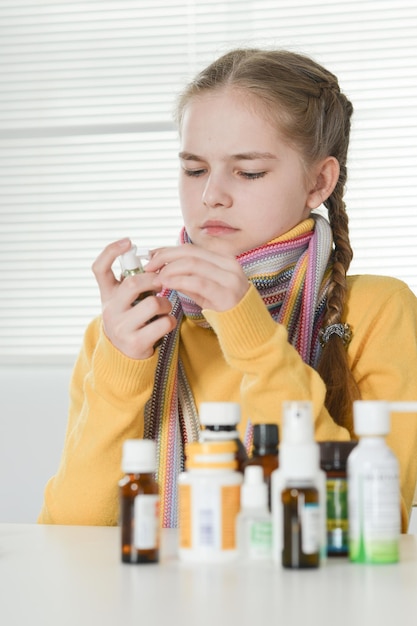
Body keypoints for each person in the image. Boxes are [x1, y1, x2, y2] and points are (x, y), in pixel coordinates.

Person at [38, 48, 417, 530]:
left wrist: (251, 333)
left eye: (248, 171)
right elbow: (69, 535)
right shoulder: (125, 328)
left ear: (319, 182)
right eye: (195, 169)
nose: (209, 194)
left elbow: (373, 528)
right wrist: (121, 365)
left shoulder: (379, 311)